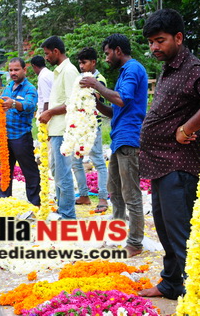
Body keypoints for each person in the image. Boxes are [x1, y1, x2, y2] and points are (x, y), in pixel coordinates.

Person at [137, 9, 200, 300]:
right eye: (150, 42)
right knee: (165, 231)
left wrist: (188, 128)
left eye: (160, 41)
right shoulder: (169, 68)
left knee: (182, 235)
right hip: (160, 165)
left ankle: (198, 294)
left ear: (179, 37)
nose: (154, 48)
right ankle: (171, 283)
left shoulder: (193, 69)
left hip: (178, 166)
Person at [79, 34, 147, 257]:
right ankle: (118, 234)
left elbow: (122, 100)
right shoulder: (123, 74)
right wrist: (95, 101)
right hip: (119, 138)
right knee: (114, 191)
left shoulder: (133, 69)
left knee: (130, 194)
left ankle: (135, 243)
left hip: (129, 138)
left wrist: (96, 84)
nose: (106, 58)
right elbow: (113, 110)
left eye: (107, 53)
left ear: (118, 51)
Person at [38, 36, 79, 219]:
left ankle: (68, 215)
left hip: (63, 130)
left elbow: (74, 102)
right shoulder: (59, 72)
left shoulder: (69, 71)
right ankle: (63, 209)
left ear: (56, 51)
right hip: (55, 130)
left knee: (63, 174)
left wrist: (50, 112)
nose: (45, 58)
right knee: (57, 172)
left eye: (47, 54)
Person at [0, 57, 41, 206]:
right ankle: (4, 201)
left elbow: (29, 105)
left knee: (29, 171)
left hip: (21, 137)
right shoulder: (9, 86)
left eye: (16, 69)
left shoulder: (30, 89)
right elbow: (1, 106)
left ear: (24, 70)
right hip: (5, 137)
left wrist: (14, 103)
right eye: (10, 70)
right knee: (5, 170)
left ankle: (35, 203)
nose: (13, 73)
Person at [72, 47, 109, 210]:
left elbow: (95, 99)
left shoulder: (99, 79)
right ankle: (84, 195)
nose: (81, 66)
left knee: (99, 162)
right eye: (79, 63)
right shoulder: (80, 78)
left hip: (93, 127)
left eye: (84, 62)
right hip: (79, 127)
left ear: (93, 62)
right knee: (76, 162)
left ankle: (102, 198)